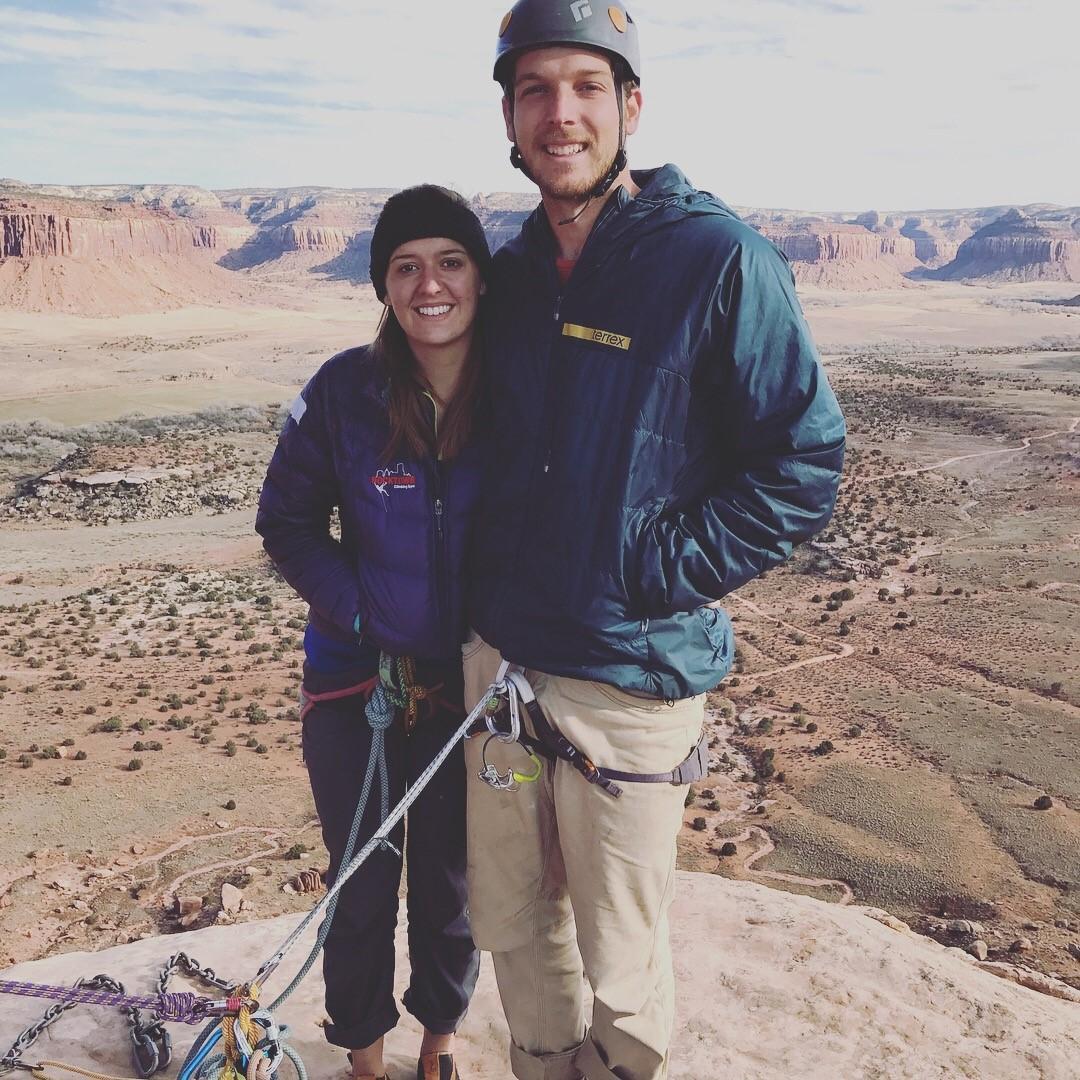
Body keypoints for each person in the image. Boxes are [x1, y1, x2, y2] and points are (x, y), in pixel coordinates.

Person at [462, 4, 847, 1080]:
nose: (560, 113)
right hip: (501, 664)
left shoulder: (718, 259)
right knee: (514, 928)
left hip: (630, 679)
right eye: (534, 89)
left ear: (630, 106)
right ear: (508, 114)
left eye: (585, 86)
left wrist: (652, 572)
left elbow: (802, 462)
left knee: (622, 960)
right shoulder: (515, 275)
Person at [257, 185, 491, 1080]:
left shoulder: (513, 393)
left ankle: (439, 1046)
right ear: (384, 287)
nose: (429, 283)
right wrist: (359, 611)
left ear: (478, 277)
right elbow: (287, 523)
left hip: (465, 681)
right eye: (405, 266)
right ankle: (363, 1062)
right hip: (358, 681)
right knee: (359, 882)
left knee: (449, 882)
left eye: (450, 261)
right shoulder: (345, 392)